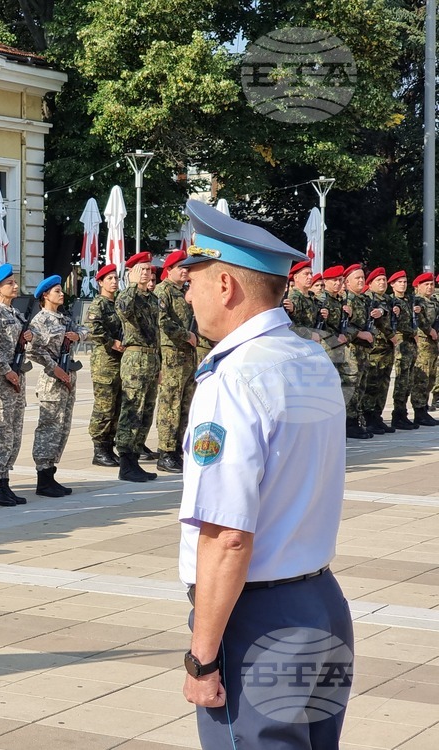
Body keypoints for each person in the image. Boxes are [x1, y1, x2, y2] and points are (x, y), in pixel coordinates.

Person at [178, 199, 352, 750]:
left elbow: (228, 533)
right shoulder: (310, 357)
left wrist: (202, 657)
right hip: (322, 604)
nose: (186, 293)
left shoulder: (232, 379)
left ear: (225, 285)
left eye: (193, 279)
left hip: (258, 623)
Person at [27, 275, 87, 496]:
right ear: (45, 295)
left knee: (63, 427)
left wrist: (77, 335)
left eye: (61, 291)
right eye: (57, 291)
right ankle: (43, 477)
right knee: (48, 428)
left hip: (67, 378)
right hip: (51, 380)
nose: (61, 294)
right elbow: (33, 350)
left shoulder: (63, 319)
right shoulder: (39, 321)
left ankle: (51, 473)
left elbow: (85, 331)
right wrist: (55, 368)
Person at [0, 263, 31, 506]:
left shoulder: (15, 313)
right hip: (1, 381)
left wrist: (27, 338)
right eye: (10, 283)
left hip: (16, 377)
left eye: (14, 282)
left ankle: (5, 481)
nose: (15, 286)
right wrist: (6, 370)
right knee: (1, 434)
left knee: (14, 433)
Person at [115, 252, 160, 482]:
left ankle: (136, 454)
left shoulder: (152, 299)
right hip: (135, 358)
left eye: (149, 270)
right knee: (132, 410)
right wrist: (131, 285)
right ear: (132, 272)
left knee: (146, 411)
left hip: (151, 359)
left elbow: (156, 333)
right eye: (142, 269)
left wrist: (159, 364)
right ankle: (126, 462)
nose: (147, 273)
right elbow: (122, 309)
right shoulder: (127, 295)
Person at [154, 250, 197, 474]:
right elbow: (162, 321)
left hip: (189, 355)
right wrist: (185, 335)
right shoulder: (163, 291)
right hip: (172, 353)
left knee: (185, 403)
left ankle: (179, 448)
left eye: (186, 267)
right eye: (180, 267)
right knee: (170, 403)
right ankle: (166, 451)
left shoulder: (186, 293)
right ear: (168, 270)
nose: (184, 270)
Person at [318, 265, 369, 440]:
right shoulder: (323, 300)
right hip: (328, 349)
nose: (338, 284)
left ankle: (350, 422)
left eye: (340, 280)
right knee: (332, 387)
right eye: (335, 281)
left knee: (351, 384)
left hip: (339, 348)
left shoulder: (340, 301)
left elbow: (346, 326)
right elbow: (322, 326)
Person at [87, 263, 124, 467]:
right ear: (100, 282)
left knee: (116, 406)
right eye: (109, 279)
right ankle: (99, 448)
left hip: (119, 361)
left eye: (116, 278)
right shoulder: (98, 304)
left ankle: (109, 446)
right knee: (104, 407)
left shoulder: (118, 303)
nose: (114, 282)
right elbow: (94, 329)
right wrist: (112, 342)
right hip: (105, 362)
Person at [363, 267, 399, 434]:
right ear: (370, 284)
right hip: (375, 348)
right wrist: (391, 335)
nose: (383, 283)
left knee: (383, 384)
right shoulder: (368, 298)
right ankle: (368, 418)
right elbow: (379, 323)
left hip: (387, 349)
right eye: (379, 280)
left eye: (384, 280)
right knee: (372, 383)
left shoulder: (388, 299)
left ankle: (377, 417)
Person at [343, 264, 376, 437]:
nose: (361, 280)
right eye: (357, 278)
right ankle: (349, 423)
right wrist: (360, 334)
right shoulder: (347, 300)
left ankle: (357, 419)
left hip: (363, 350)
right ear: (347, 282)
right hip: (351, 348)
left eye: (363, 277)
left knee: (361, 385)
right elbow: (342, 327)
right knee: (352, 384)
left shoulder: (362, 299)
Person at [388, 270, 420, 430]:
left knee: (408, 380)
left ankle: (403, 413)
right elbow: (398, 324)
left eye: (405, 281)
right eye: (399, 282)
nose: (403, 284)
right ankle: (397, 414)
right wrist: (414, 333)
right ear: (392, 284)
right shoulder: (393, 302)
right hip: (402, 343)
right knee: (401, 380)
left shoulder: (409, 301)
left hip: (410, 344)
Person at [412, 273, 439, 426]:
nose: (430, 287)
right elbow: (420, 319)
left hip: (433, 343)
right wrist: (429, 330)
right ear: (418, 287)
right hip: (423, 342)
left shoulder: (434, 301)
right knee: (421, 377)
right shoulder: (417, 301)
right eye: (426, 285)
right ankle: (419, 410)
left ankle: (424, 408)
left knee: (431, 378)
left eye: (431, 284)